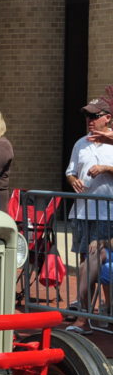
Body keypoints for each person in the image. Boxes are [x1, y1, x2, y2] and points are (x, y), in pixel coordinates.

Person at [64, 96, 113, 330]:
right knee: (87, 262)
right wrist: (73, 180)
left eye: (94, 116)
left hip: (107, 212)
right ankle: (86, 315)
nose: (89, 120)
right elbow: (71, 170)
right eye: (87, 116)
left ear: (107, 118)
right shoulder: (80, 143)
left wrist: (105, 168)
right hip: (82, 212)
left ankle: (104, 311)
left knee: (100, 263)